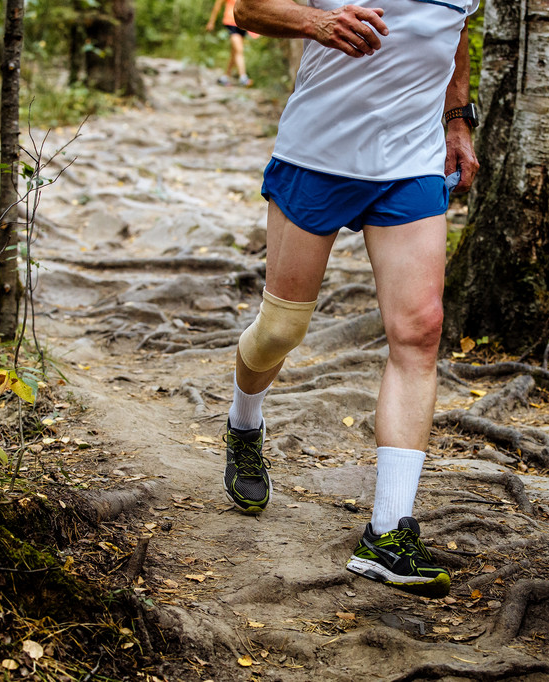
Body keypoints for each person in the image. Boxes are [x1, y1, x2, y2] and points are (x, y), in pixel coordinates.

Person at [221, 0, 480, 599]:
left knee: (420, 331)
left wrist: (457, 120)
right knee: (281, 330)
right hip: (318, 155)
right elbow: (249, 8)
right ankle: (244, 422)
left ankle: (388, 533)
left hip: (411, 164)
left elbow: (457, 30)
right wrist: (316, 22)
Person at [206, 0, 253, 87]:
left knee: (234, 52)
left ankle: (225, 77)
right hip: (231, 22)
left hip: (243, 23)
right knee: (239, 50)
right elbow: (218, 5)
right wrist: (211, 21)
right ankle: (243, 77)